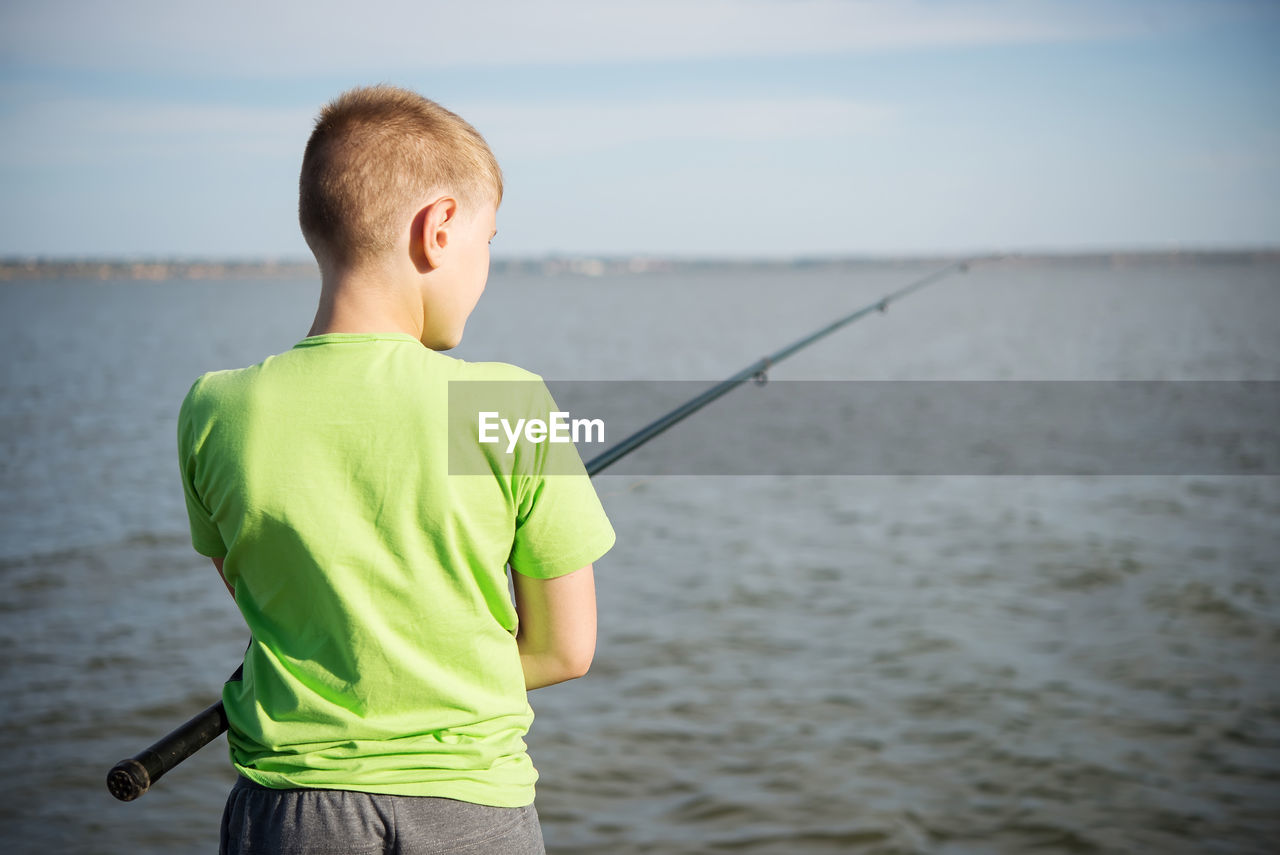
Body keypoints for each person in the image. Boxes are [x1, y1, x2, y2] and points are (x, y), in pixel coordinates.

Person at [177, 85, 615, 855]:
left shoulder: (215, 410)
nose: (484, 270)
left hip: (292, 814)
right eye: (488, 243)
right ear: (440, 228)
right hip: (472, 808)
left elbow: (268, 604)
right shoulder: (505, 403)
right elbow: (566, 648)